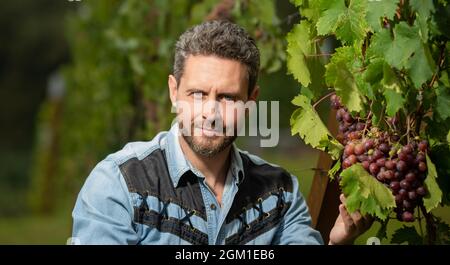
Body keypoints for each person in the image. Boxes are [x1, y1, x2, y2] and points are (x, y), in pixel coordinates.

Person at [71, 20, 372, 245]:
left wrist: (336, 243)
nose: (210, 112)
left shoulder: (281, 193)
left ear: (250, 102)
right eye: (198, 94)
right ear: (174, 92)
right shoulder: (119, 183)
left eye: (227, 97)